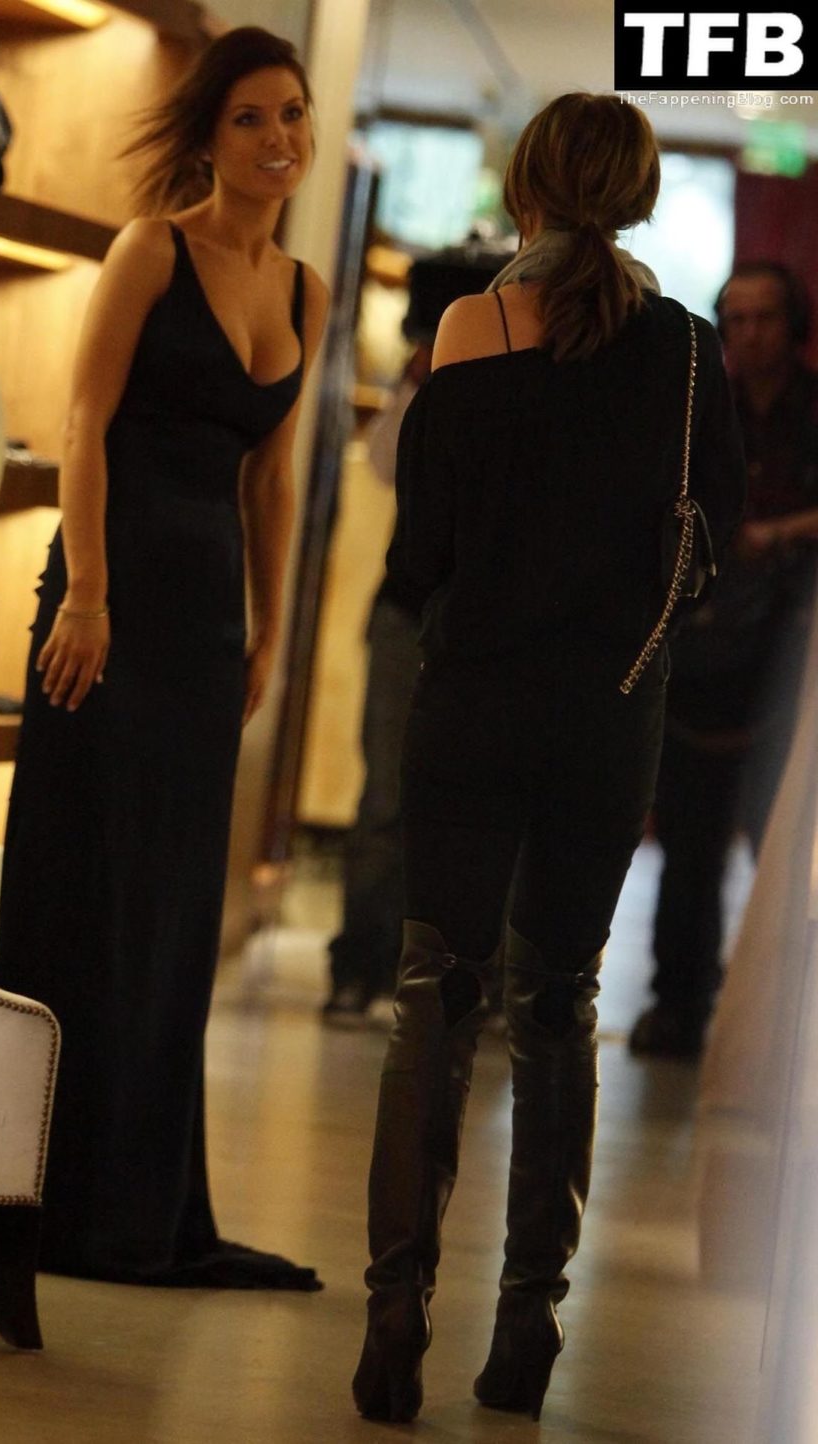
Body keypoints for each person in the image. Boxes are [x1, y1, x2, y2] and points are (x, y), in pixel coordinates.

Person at [350, 92, 746, 1423]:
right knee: (560, 1007)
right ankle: (528, 1325)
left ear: (526, 183)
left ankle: (395, 1313)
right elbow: (712, 549)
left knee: (435, 996)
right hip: (608, 719)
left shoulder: (475, 326)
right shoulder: (689, 356)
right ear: (635, 196)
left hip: (474, 708)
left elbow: (421, 555)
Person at [0, 27, 328, 1289]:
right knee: (87, 888)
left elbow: (273, 479)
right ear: (207, 135)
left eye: (290, 113)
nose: (278, 138)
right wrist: (86, 593)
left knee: (177, 911)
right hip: (108, 604)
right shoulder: (151, 248)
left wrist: (272, 628)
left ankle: (143, 1207)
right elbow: (83, 423)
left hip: (205, 628)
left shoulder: (305, 290)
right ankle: (41, 1198)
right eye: (249, 117)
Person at [631, 261, 818, 1058]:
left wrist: (779, 535)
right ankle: (680, 1003)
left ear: (793, 323)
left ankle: (781, 1022)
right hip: (707, 648)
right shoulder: (705, 408)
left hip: (794, 649)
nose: (749, 334)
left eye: (764, 318)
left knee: (786, 848)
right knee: (689, 841)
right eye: (735, 319)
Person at [322, 346, 429, 1028]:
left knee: (478, 809)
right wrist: (416, 379)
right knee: (385, 798)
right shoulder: (442, 367)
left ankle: (444, 979)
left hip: (494, 622)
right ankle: (359, 965)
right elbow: (383, 464)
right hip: (408, 608)